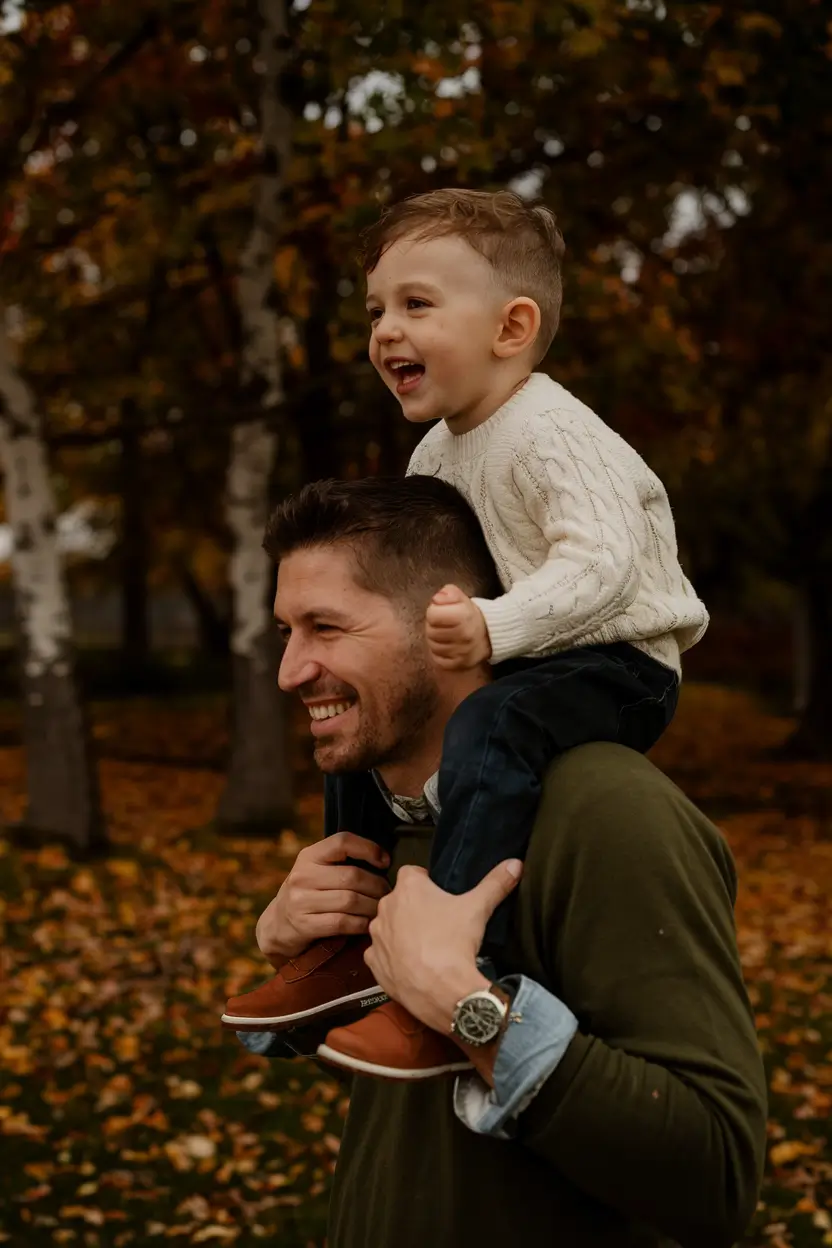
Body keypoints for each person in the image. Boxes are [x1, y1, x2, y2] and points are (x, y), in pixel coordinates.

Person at [222, 188, 709, 1075]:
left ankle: (454, 971)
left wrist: (492, 626)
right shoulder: (438, 453)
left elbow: (602, 568)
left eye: (416, 304)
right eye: (376, 310)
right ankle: (349, 938)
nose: (384, 331)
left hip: (621, 658)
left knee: (490, 725)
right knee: (364, 745)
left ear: (512, 327)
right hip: (530, 653)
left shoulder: (552, 432)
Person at [232, 475, 767, 1248]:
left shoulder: (608, 811)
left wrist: (470, 1007)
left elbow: (716, 1175)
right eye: (286, 630)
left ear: (452, 621)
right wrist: (319, 968)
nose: (291, 670)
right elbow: (421, 1102)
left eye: (325, 627)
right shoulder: (399, 822)